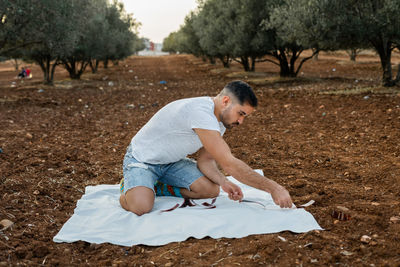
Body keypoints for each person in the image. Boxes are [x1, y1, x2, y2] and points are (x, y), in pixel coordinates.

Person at [119, 80, 293, 215]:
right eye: (241, 114)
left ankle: (157, 186)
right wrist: (274, 188)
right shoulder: (201, 113)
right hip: (142, 159)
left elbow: (206, 160)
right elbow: (229, 164)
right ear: (226, 101)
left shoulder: (221, 122)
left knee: (211, 190)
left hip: (171, 162)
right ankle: (128, 187)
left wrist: (224, 182)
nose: (241, 121)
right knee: (141, 207)